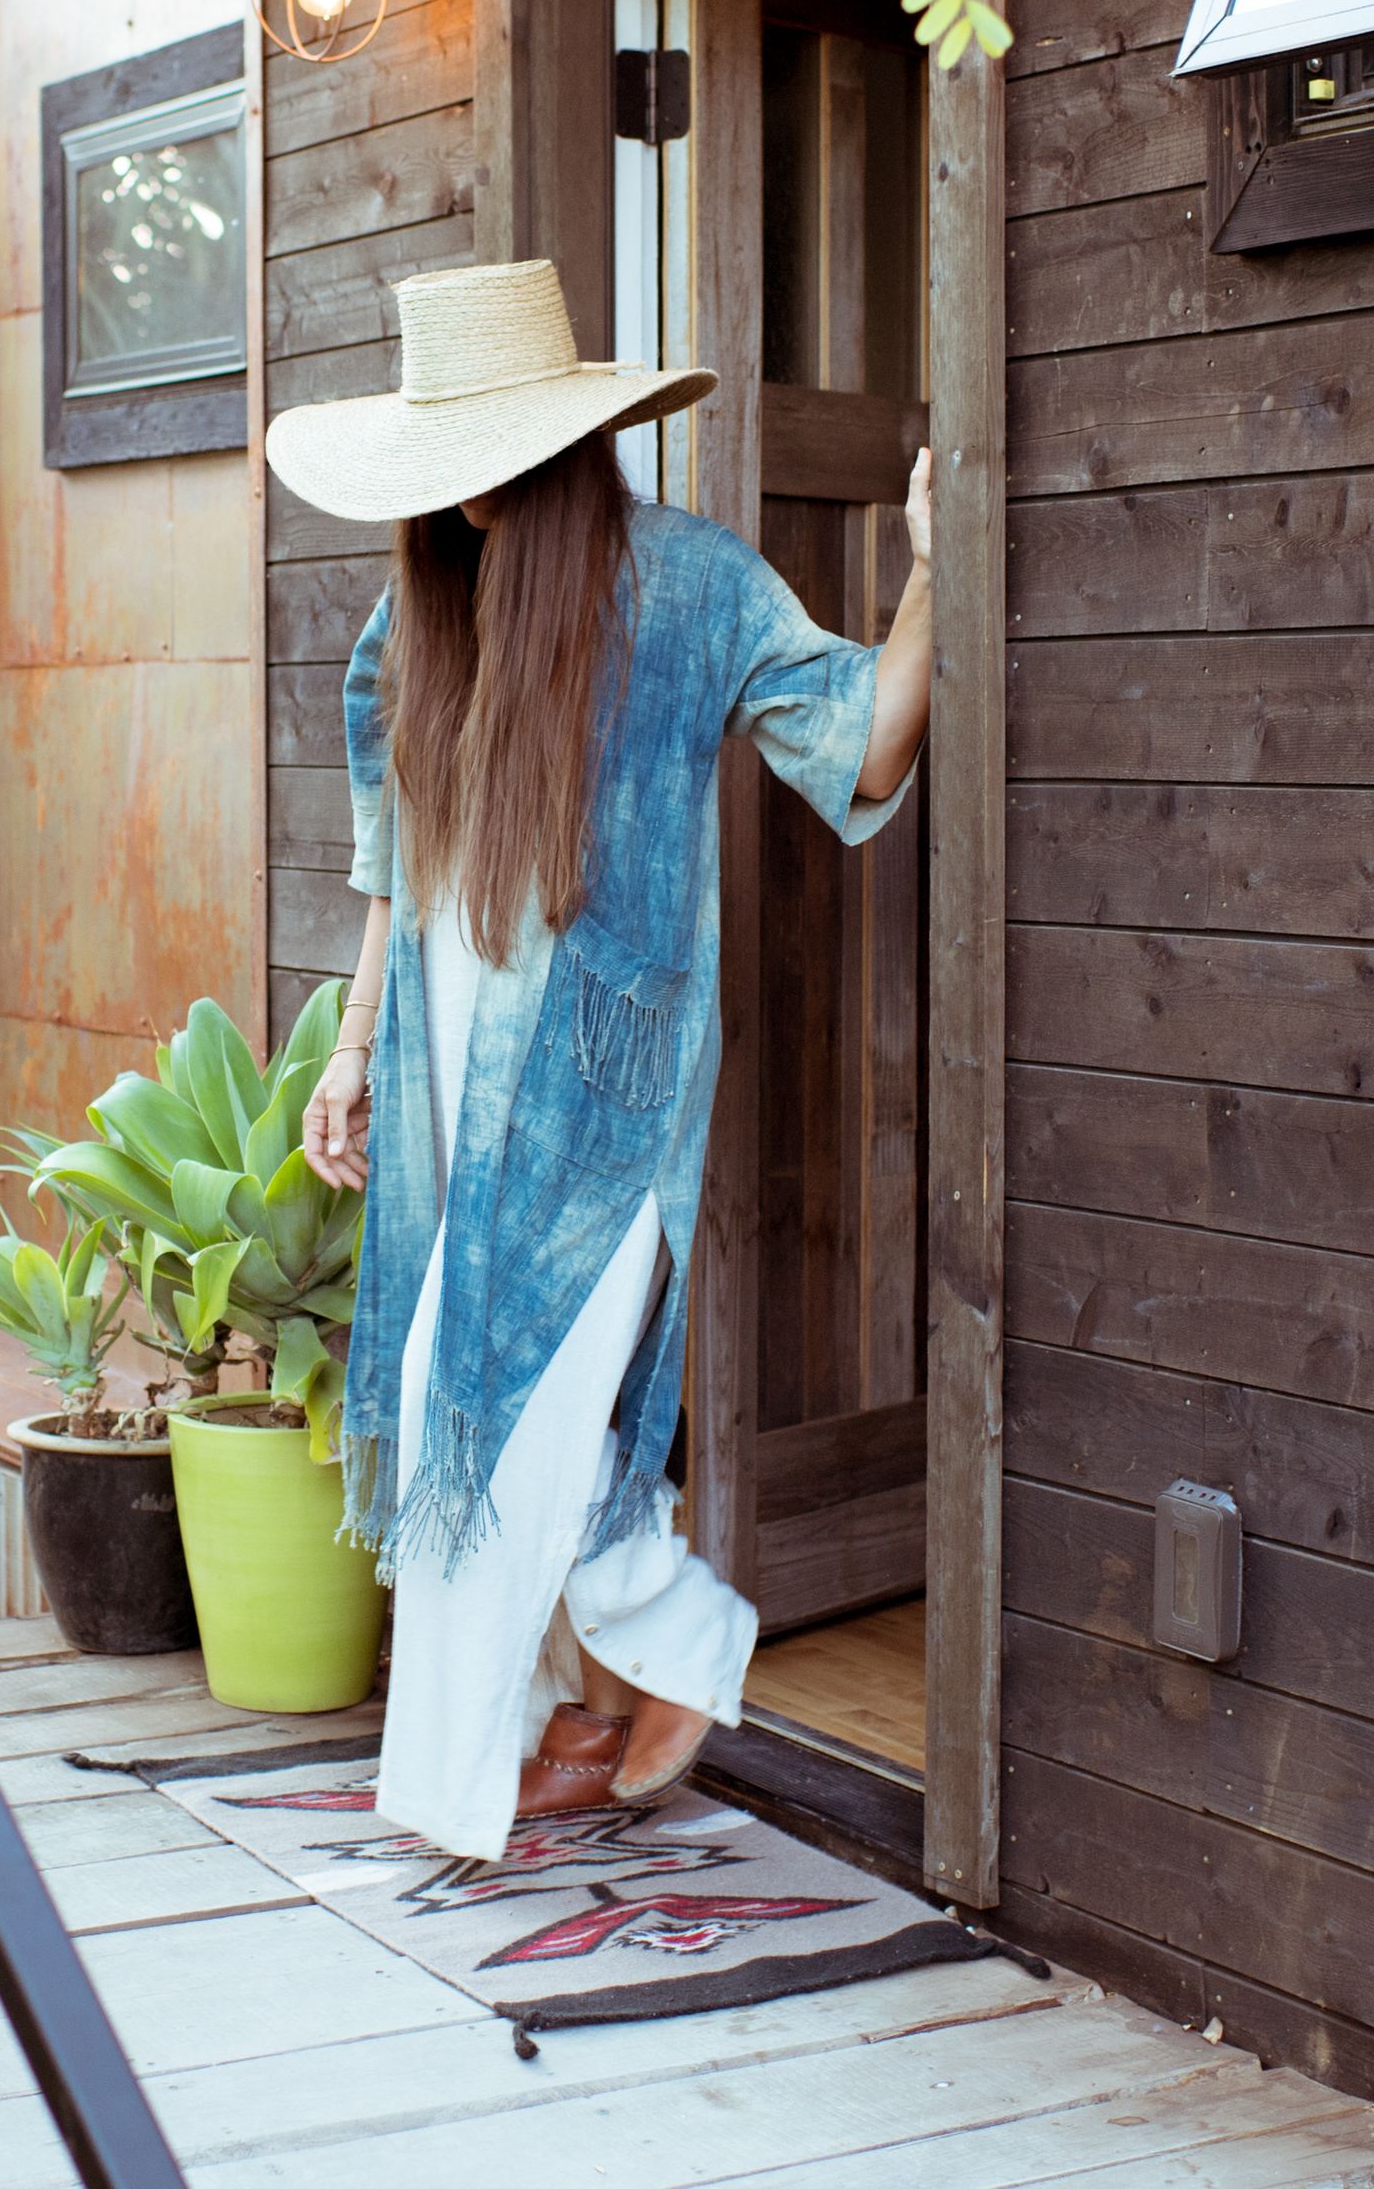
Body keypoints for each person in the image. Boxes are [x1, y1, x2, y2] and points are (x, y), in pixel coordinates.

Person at [276, 258, 933, 1864]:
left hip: (605, 1107)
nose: (463, 499)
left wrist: (940, 573)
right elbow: (395, 863)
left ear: (560, 445)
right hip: (444, 1108)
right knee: (462, 1409)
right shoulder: (417, 610)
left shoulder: (693, 590)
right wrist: (350, 1054)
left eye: (486, 462)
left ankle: (454, 1787)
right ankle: (643, 1668)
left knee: (516, 1426)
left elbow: (866, 734)